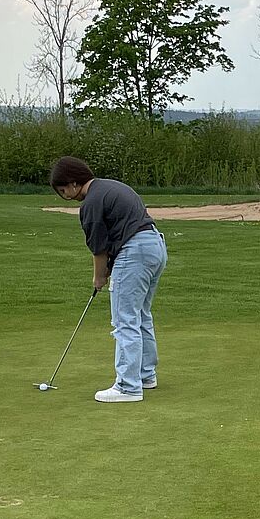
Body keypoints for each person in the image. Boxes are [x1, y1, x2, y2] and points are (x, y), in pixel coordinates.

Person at [50, 156, 168, 403]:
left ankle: (127, 386)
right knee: (140, 315)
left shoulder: (91, 203)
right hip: (155, 246)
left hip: (134, 251)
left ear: (73, 183)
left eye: (63, 190)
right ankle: (146, 375)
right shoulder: (111, 186)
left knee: (125, 319)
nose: (64, 196)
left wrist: (98, 277)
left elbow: (99, 249)